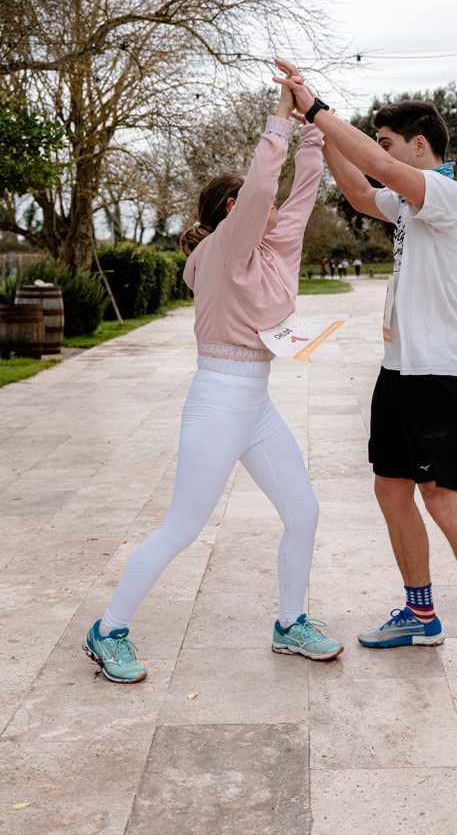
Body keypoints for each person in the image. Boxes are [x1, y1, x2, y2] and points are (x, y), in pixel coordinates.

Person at [274, 58, 457, 693]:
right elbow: (363, 193)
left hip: (440, 379)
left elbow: (381, 171)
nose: (381, 152)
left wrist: (316, 109)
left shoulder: (448, 194)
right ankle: (421, 615)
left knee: (443, 500)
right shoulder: (412, 206)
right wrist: (320, 137)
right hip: (398, 374)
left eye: (387, 141)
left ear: (420, 145)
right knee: (392, 491)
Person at [83, 81, 344, 683]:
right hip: (217, 400)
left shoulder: (277, 249)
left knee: (303, 511)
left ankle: (290, 623)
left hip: (256, 403)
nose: (274, 210)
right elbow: (262, 189)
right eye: (258, 206)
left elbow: (301, 195)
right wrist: (278, 120)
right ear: (233, 213)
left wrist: (313, 129)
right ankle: (108, 630)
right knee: (183, 527)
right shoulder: (225, 252)